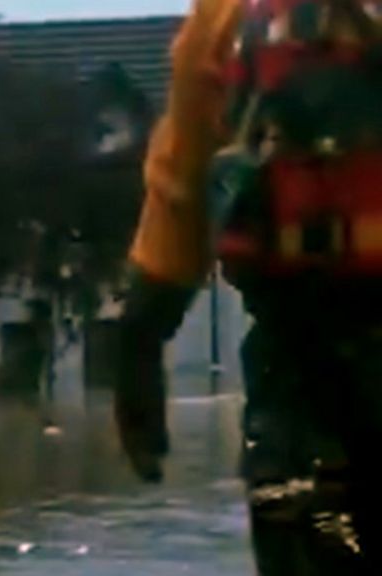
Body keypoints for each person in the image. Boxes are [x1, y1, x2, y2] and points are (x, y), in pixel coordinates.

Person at [115, 0, 382, 573]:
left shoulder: (227, 17)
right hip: (302, 372)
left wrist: (140, 336)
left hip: (299, 381)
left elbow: (179, 185)